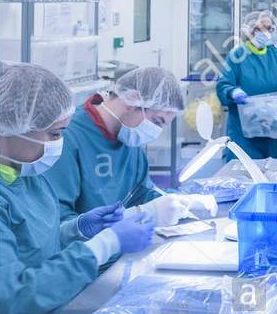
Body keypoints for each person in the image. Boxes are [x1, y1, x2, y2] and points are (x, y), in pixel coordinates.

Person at [0, 62, 157, 314]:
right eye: (54, 133)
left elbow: (35, 248)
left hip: (53, 310)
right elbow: (10, 298)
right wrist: (104, 245)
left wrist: (78, 229)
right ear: (11, 127)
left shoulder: (28, 176)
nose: (58, 144)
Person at [46, 66, 198, 225]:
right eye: (156, 121)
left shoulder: (129, 135)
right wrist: (109, 232)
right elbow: (58, 221)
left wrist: (173, 203)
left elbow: (141, 193)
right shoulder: (69, 136)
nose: (155, 131)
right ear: (132, 100)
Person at [216, 10, 277, 159]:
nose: (265, 33)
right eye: (260, 29)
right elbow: (223, 84)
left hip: (272, 128)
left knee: (269, 167)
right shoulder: (237, 55)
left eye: (269, 29)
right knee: (242, 168)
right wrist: (233, 92)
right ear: (250, 31)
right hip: (245, 131)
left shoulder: (276, 55)